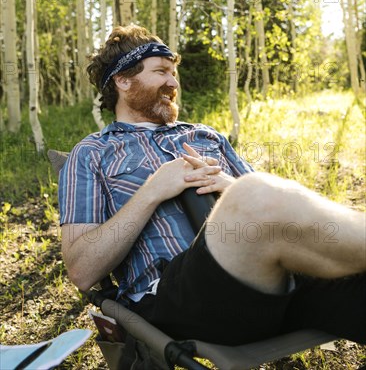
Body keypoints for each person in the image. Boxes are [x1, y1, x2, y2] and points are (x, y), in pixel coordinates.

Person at [59, 24, 366, 346]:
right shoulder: (93, 153)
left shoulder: (206, 136)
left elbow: (270, 207)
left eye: (174, 73)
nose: (173, 82)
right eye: (162, 71)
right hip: (179, 297)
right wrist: (152, 191)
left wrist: (229, 186)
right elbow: (81, 270)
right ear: (123, 80)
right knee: (254, 192)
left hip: (270, 277)